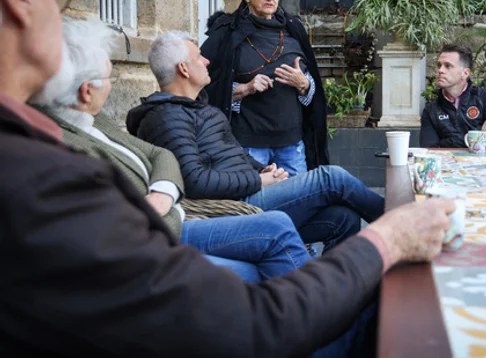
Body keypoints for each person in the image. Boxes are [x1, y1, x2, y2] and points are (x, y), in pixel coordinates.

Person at [0, 0, 455, 356]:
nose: (206, 62)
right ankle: (393, 231)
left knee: (335, 216)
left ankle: (360, 280)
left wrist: (303, 86)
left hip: (271, 154)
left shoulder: (82, 132)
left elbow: (163, 158)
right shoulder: (39, 173)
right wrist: (386, 240)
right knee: (311, 200)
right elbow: (236, 317)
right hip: (229, 195)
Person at [37, 18, 311, 282]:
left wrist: (163, 192)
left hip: (180, 215)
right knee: (291, 216)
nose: (112, 84)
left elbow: (161, 155)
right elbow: (188, 179)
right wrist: (256, 179)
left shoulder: (97, 119)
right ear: (86, 91)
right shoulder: (64, 144)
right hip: (163, 236)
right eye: (111, 77)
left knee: (331, 216)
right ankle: (323, 314)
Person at [127, 30, 385, 252]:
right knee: (331, 178)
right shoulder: (167, 117)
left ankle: (335, 289)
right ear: (183, 69)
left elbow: (232, 154)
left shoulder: (198, 108)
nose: (206, 61)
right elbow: (193, 180)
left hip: (251, 190)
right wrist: (258, 180)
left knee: (344, 218)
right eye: (198, 58)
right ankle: (398, 222)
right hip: (235, 205)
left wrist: (261, 168)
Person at [201, 0, 327, 176]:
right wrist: (242, 89)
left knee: (303, 202)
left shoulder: (293, 29)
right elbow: (202, 86)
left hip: (292, 144)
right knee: (254, 204)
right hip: (248, 145)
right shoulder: (226, 33)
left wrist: (304, 84)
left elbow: (312, 87)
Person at [420, 44, 486, 149]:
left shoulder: (485, 99)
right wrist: (478, 134)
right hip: (449, 165)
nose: (440, 70)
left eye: (448, 66)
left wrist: (446, 142)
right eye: (439, 65)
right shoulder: (431, 110)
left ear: (465, 73)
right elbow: (430, 151)